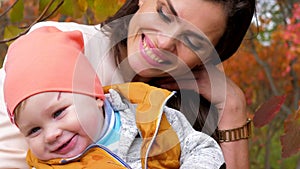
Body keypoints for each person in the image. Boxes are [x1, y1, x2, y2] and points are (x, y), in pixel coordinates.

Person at [0, 0, 256, 168]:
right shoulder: (52, 52)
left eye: (193, 41)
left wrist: (232, 110)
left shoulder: (178, 109)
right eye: (165, 14)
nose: (166, 43)